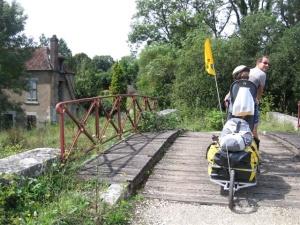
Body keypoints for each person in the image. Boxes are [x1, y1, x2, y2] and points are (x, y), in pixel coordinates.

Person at [249, 56, 270, 147]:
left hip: (239, 102)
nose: (267, 65)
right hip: (251, 103)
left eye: (268, 64)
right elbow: (260, 90)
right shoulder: (262, 74)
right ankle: (257, 149)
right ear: (258, 62)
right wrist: (257, 100)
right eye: (265, 63)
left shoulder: (247, 71)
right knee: (254, 129)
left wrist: (228, 96)